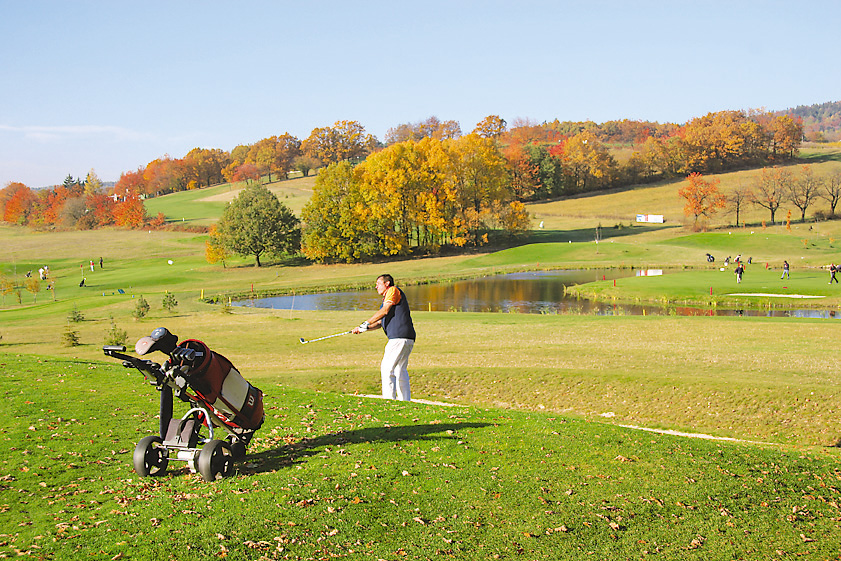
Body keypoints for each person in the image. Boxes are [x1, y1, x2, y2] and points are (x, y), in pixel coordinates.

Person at [352, 274, 416, 401]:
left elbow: (385, 311)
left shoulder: (392, 290)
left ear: (387, 284)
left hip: (398, 338)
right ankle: (405, 401)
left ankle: (388, 400)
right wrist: (364, 328)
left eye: (378, 284)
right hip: (406, 337)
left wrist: (366, 322)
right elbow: (381, 323)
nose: (376, 286)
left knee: (387, 368)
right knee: (399, 370)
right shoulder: (387, 299)